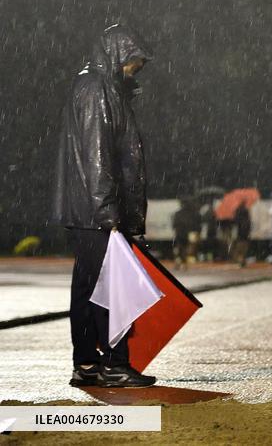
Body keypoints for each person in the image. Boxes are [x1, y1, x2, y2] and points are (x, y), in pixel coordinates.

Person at [51, 24, 156, 388]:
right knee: (113, 288)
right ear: (117, 56)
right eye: (134, 65)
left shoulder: (94, 86)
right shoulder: (98, 90)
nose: (135, 72)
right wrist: (109, 214)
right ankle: (114, 363)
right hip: (97, 211)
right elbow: (99, 157)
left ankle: (87, 364)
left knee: (86, 286)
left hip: (86, 210)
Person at [172, 197, 200, 271]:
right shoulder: (192, 214)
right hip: (188, 234)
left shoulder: (178, 214)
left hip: (180, 233)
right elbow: (195, 224)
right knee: (186, 249)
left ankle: (179, 263)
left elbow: (174, 225)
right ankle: (183, 264)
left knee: (179, 249)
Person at [232, 202, 252, 268]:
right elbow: (249, 224)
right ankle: (243, 260)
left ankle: (240, 261)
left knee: (239, 249)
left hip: (239, 234)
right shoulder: (246, 214)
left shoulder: (237, 213)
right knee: (244, 249)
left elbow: (235, 222)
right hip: (245, 234)